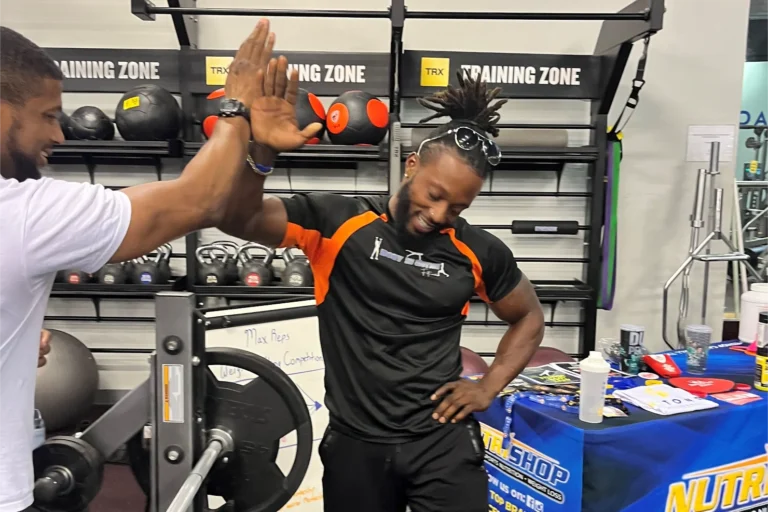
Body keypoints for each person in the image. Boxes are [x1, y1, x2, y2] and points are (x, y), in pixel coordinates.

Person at [0, 20, 319, 512]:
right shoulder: (22, 211)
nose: (59, 134)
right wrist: (234, 112)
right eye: (46, 115)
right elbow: (201, 201)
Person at [217, 71, 546, 512]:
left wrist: (487, 387)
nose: (439, 214)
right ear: (411, 166)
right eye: (434, 194)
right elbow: (237, 219)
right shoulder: (336, 221)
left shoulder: (478, 251)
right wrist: (261, 154)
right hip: (357, 444)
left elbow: (528, 316)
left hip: (441, 442)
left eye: (458, 207)